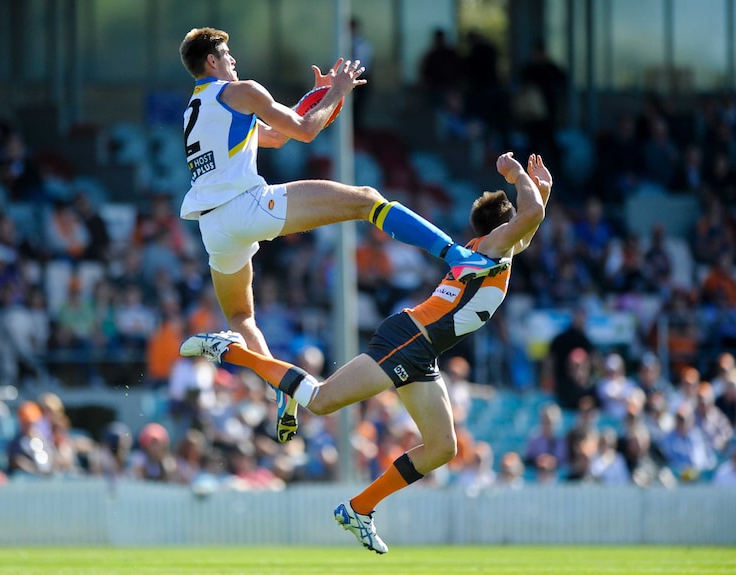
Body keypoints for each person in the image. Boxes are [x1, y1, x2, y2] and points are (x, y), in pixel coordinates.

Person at [182, 151, 552, 553]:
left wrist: (543, 190)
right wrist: (516, 174)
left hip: (421, 351)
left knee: (443, 447)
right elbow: (529, 218)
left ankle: (360, 508)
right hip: (410, 339)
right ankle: (234, 351)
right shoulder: (494, 245)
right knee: (321, 402)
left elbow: (530, 221)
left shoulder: (502, 249)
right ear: (506, 225)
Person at [178, 27, 509, 445]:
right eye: (227, 55)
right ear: (213, 60)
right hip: (247, 207)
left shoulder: (194, 108)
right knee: (367, 199)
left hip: (214, 230)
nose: (233, 62)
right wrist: (336, 93)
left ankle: (284, 388)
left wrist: (317, 98)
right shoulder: (241, 90)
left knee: (242, 318)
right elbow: (302, 132)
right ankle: (457, 255)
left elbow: (276, 135)